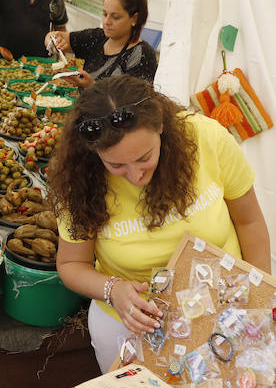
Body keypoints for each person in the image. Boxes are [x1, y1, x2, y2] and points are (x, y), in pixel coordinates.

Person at [50, 75, 270, 372]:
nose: (135, 175)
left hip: (225, 310)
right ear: (93, 153)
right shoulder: (79, 181)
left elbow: (250, 222)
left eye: (145, 157)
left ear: (162, 127)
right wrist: (112, 289)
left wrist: (257, 302)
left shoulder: (206, 138)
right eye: (115, 166)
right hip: (129, 325)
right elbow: (71, 265)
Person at [43, 0, 158, 88]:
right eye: (104, 14)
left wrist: (92, 86)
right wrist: (53, 42)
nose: (107, 21)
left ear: (134, 19)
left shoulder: (141, 55)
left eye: (115, 17)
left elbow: (134, 101)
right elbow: (53, 36)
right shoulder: (97, 37)